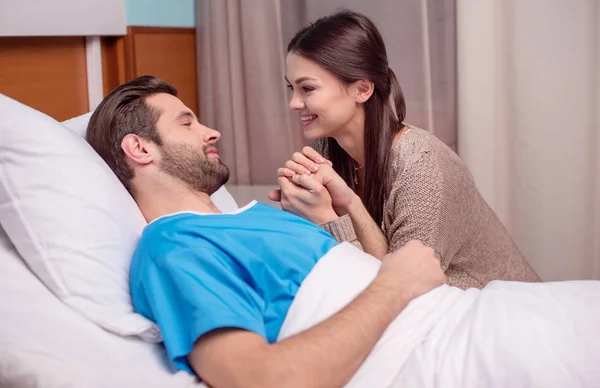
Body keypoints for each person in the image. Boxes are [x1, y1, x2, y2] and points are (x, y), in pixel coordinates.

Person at [86, 76, 600, 388]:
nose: (211, 130)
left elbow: (384, 272)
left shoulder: (257, 217)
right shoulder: (174, 246)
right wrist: (396, 284)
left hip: (481, 315)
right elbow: (259, 379)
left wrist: (339, 212)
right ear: (139, 149)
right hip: (452, 353)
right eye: (187, 123)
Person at [269, 10, 540, 289]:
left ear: (362, 89)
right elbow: (385, 263)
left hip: (494, 310)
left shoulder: (421, 166)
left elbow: (403, 290)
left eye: (307, 89)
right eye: (291, 88)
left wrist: (326, 218)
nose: (293, 103)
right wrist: (346, 203)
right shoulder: (328, 148)